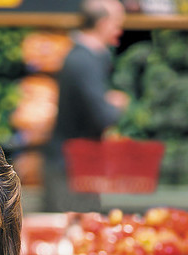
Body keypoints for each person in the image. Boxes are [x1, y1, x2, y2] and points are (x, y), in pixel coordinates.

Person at [42, 0, 130, 213]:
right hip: (70, 170)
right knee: (75, 233)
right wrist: (117, 104)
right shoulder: (84, 61)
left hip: (74, 165)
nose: (119, 30)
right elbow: (102, 116)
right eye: (117, 23)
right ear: (102, 23)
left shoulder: (84, 57)